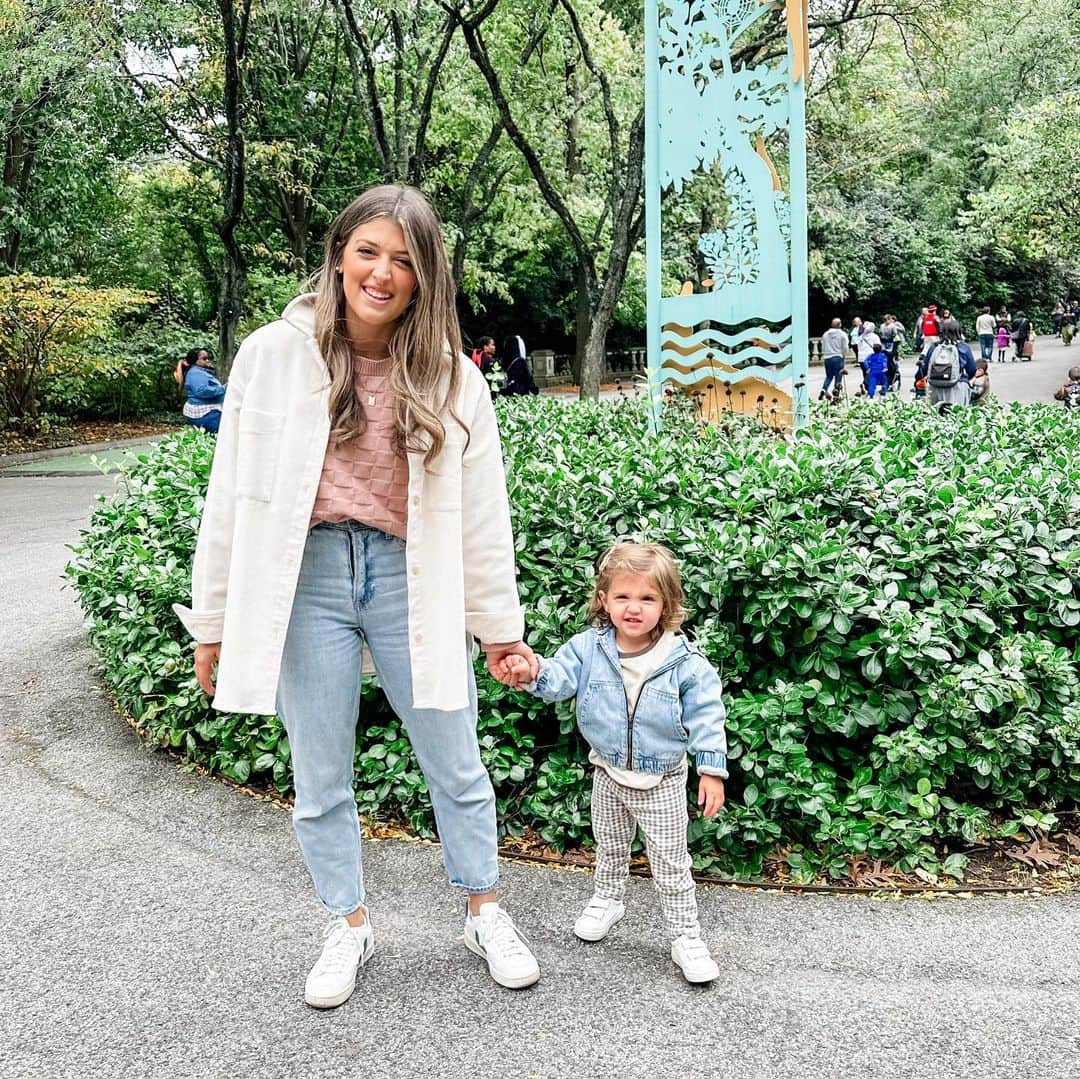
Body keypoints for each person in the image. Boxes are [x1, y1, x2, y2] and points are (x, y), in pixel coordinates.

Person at [172, 184, 542, 1008]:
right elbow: (232, 491)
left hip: (412, 575)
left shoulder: (451, 376)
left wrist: (499, 629)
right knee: (321, 769)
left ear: (425, 276)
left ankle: (484, 908)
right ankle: (347, 923)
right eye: (369, 250)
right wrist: (216, 620)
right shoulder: (274, 353)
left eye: (405, 260)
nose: (382, 272)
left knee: (455, 755)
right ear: (340, 252)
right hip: (306, 578)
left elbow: (483, 515)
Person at [498, 543, 727, 985]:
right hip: (607, 772)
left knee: (671, 863)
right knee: (610, 846)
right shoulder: (588, 648)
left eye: (647, 599)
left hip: (660, 780)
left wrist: (712, 769)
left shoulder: (683, 663)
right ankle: (608, 899)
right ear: (603, 600)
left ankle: (685, 936)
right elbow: (557, 678)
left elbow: (707, 715)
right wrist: (529, 673)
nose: (634, 608)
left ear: (667, 605)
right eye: (623, 596)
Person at [916, 317, 976, 409]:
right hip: (957, 387)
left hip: (935, 387)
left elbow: (925, 368)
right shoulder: (964, 348)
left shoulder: (934, 347)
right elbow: (972, 370)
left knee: (935, 415)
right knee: (956, 415)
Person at [175, 348, 226, 434]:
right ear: (195, 361)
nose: (207, 361)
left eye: (207, 358)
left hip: (205, 410)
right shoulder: (195, 373)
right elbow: (202, 391)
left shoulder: (197, 371)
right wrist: (224, 388)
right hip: (204, 413)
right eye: (204, 359)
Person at [819, 318, 848, 401]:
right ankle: (836, 394)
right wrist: (844, 354)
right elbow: (845, 347)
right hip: (838, 356)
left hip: (827, 357)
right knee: (838, 376)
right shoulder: (842, 334)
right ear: (840, 324)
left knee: (829, 376)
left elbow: (823, 346)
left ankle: (824, 389)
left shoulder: (825, 334)